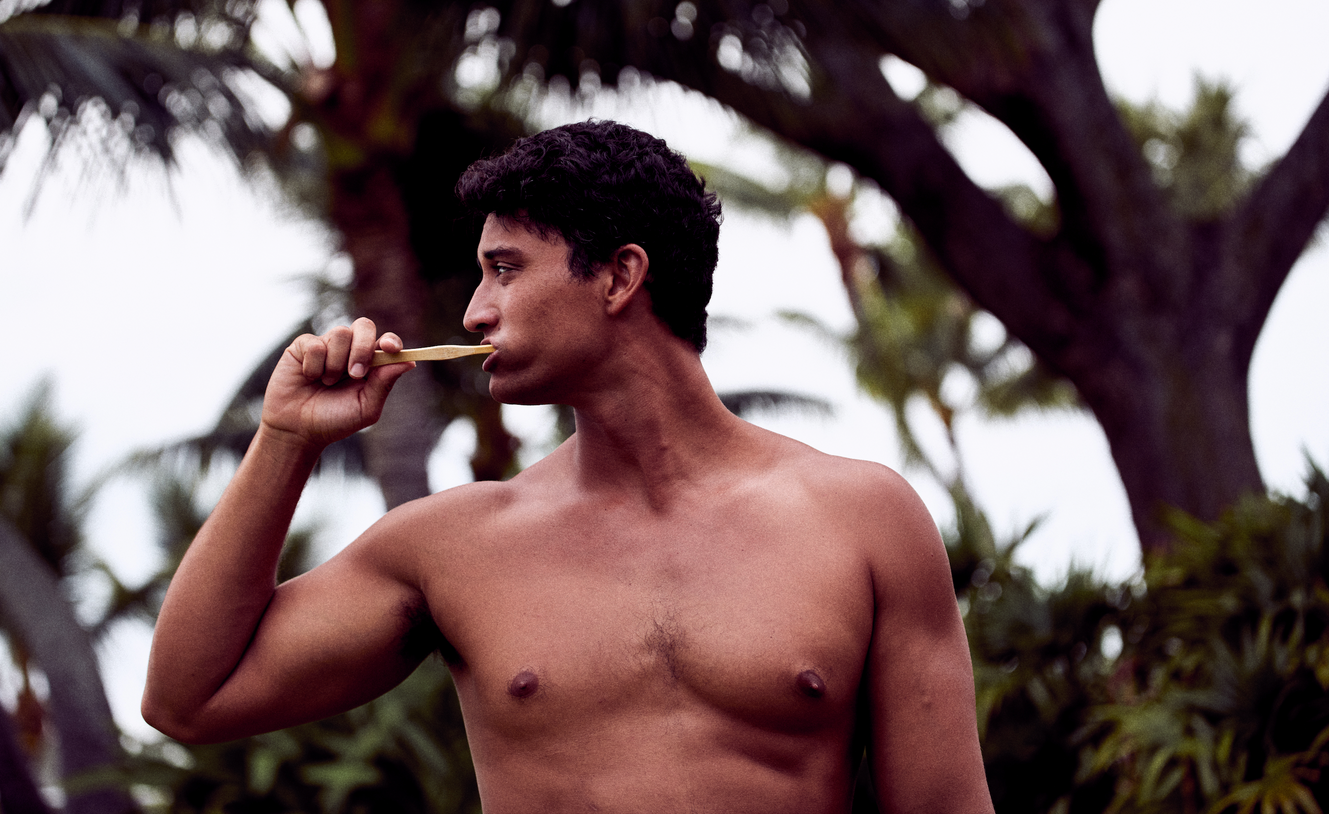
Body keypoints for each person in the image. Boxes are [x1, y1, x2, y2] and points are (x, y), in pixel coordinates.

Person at [143, 120, 993, 813]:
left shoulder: (860, 520)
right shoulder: (455, 545)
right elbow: (189, 698)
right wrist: (286, 440)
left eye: (505, 270)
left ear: (620, 276)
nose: (477, 310)